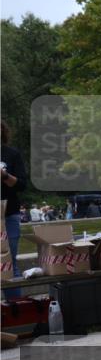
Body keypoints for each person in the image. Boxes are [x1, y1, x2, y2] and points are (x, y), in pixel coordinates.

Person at [1, 120, 27, 283]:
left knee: (11, 265)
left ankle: (15, 307)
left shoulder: (12, 154)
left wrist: (4, 176)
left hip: (9, 214)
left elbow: (22, 185)